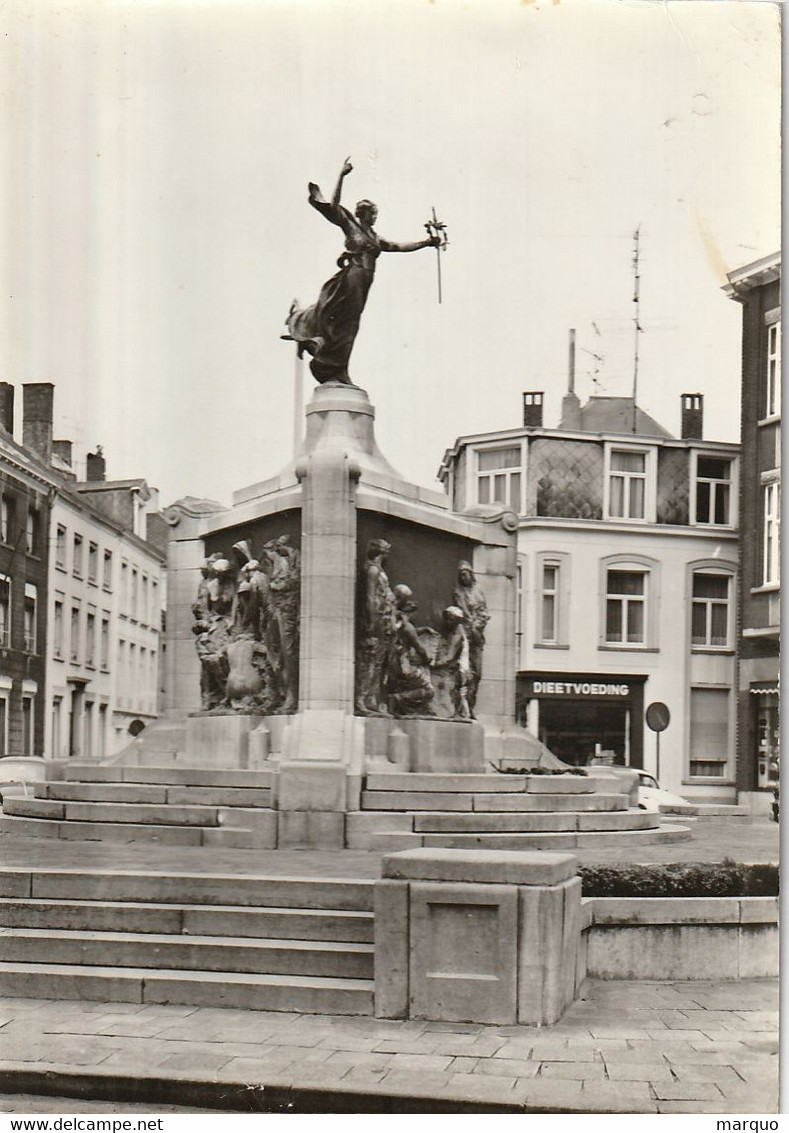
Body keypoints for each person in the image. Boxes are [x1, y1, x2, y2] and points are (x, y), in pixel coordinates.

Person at [285, 158, 441, 385]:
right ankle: (333, 365)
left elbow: (398, 247)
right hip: (353, 278)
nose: (375, 217)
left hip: (366, 281)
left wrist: (427, 242)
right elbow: (334, 206)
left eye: (376, 214)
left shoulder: (375, 238)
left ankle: (333, 363)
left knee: (350, 325)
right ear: (363, 214)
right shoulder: (351, 226)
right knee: (346, 323)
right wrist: (341, 175)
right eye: (373, 213)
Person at [453, 560, 489, 714]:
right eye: (461, 575)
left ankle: (470, 705)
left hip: (476, 637)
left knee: (477, 673)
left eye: (465, 574)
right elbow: (460, 612)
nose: (463, 578)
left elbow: (484, 613)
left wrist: (477, 626)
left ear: (471, 574)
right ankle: (462, 707)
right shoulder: (457, 592)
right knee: (463, 672)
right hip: (463, 636)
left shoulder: (478, 590)